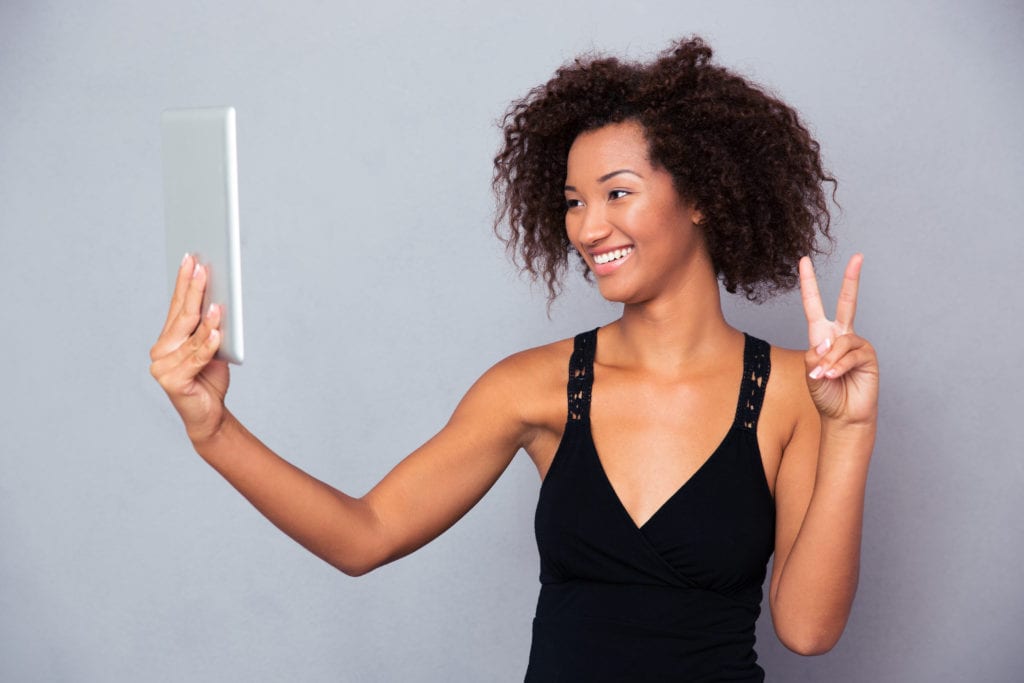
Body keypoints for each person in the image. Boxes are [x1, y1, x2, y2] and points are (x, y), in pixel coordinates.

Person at [150, 36, 877, 682]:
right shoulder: (532, 388)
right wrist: (214, 430)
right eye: (573, 202)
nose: (589, 228)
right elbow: (364, 534)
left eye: (617, 193)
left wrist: (848, 430)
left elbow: (807, 631)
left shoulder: (794, 391)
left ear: (701, 197)